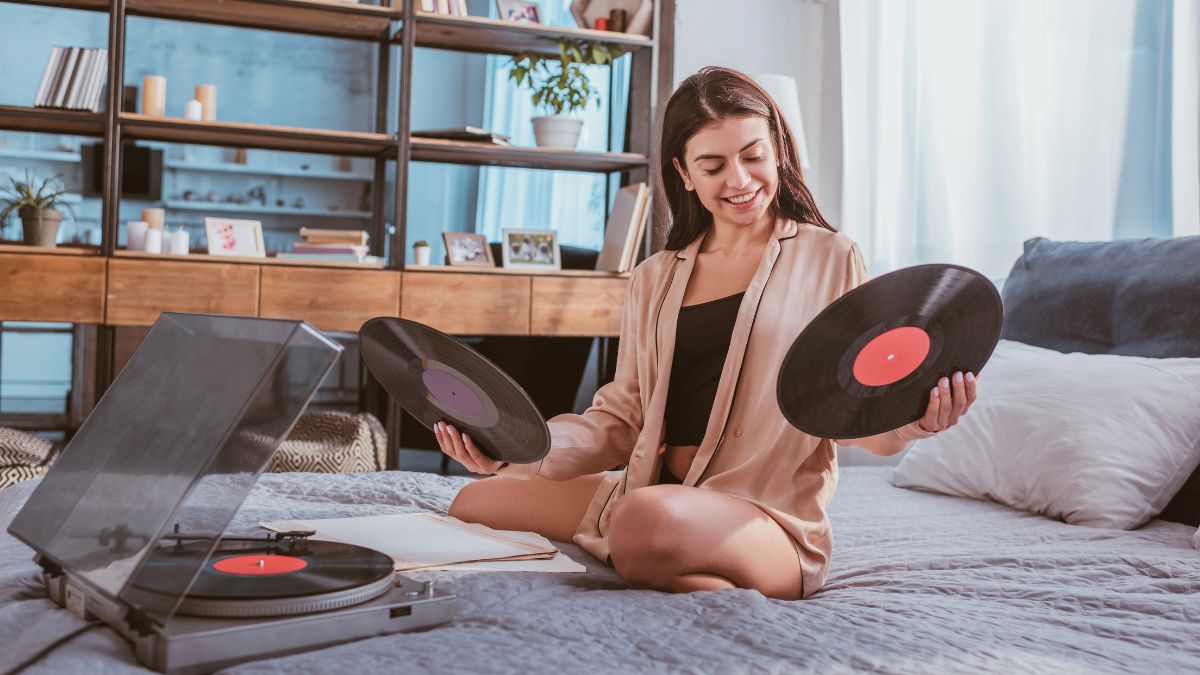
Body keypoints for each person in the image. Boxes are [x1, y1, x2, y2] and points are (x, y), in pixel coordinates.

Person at [439, 67, 978, 600]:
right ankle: (672, 565)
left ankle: (686, 564)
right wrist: (515, 449)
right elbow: (620, 418)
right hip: (652, 490)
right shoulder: (655, 276)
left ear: (778, 153)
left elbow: (854, 419)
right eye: (714, 165)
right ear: (685, 172)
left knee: (641, 522)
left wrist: (914, 425)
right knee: (476, 501)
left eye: (753, 156)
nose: (739, 181)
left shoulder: (830, 257)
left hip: (763, 516)